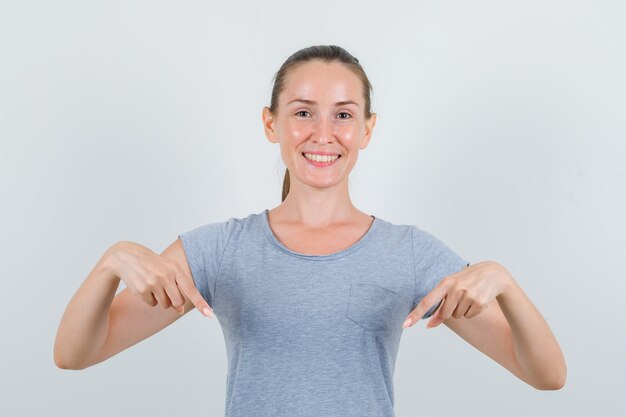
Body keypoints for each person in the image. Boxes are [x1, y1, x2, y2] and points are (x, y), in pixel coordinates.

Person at [54, 44, 566, 416]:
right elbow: (75, 354)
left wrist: (503, 279)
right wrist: (111, 262)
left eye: (343, 114)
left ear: (366, 129)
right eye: (303, 112)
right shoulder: (218, 250)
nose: (323, 134)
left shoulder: (409, 254)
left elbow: (546, 375)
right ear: (271, 123)